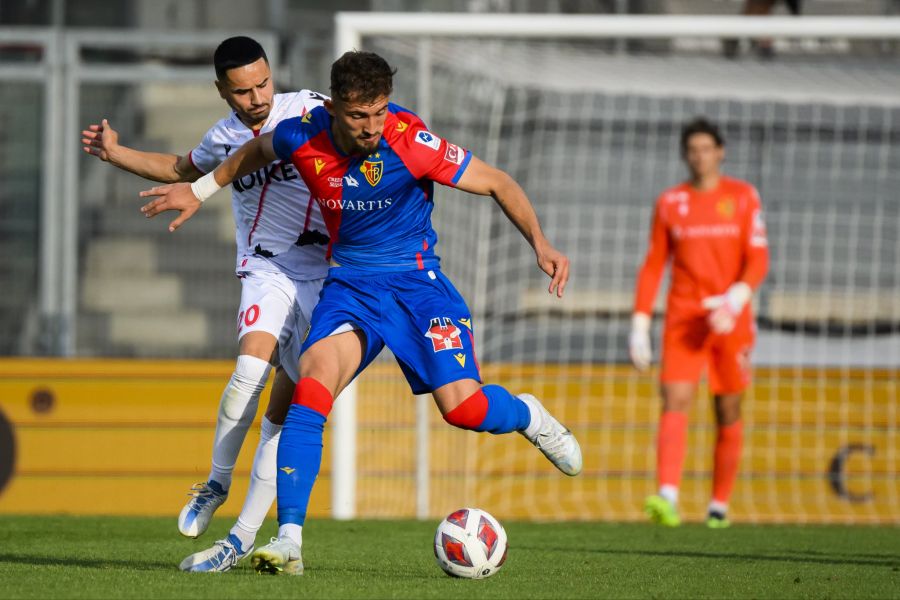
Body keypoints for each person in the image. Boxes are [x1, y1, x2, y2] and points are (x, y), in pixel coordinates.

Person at [138, 50, 583, 575]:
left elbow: (497, 183)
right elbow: (251, 153)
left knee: (463, 409)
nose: (373, 126)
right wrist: (199, 190)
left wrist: (541, 244)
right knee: (310, 388)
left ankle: (528, 415)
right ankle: (289, 541)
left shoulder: (412, 141)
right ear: (335, 110)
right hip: (348, 285)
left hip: (418, 287)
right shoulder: (302, 135)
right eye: (359, 116)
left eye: (379, 111)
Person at [82, 36, 330, 571]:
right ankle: (216, 482)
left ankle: (242, 539)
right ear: (222, 91)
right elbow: (179, 170)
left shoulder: (310, 109)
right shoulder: (222, 139)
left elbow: (368, 129)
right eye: (242, 91)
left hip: (328, 278)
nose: (257, 97)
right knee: (247, 369)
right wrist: (115, 152)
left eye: (263, 83)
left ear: (273, 75)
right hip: (266, 268)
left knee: (283, 418)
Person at [629, 117, 769, 528]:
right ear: (685, 155)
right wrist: (639, 322)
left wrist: (739, 295)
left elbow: (758, 257)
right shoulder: (671, 202)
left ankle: (718, 507)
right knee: (675, 398)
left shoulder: (743, 197)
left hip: (730, 318)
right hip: (684, 317)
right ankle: (668, 496)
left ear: (720, 152)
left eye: (707, 148)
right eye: (693, 149)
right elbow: (654, 264)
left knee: (727, 407)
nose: (700, 156)